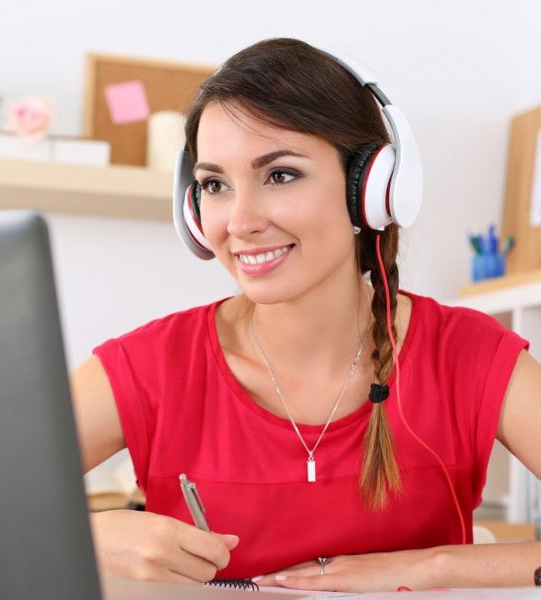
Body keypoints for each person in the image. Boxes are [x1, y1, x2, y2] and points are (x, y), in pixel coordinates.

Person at [70, 38, 541, 593]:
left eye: (280, 175)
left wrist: (430, 567)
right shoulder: (148, 366)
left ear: (370, 187)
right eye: (215, 185)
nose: (240, 222)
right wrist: (93, 534)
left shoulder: (468, 356)